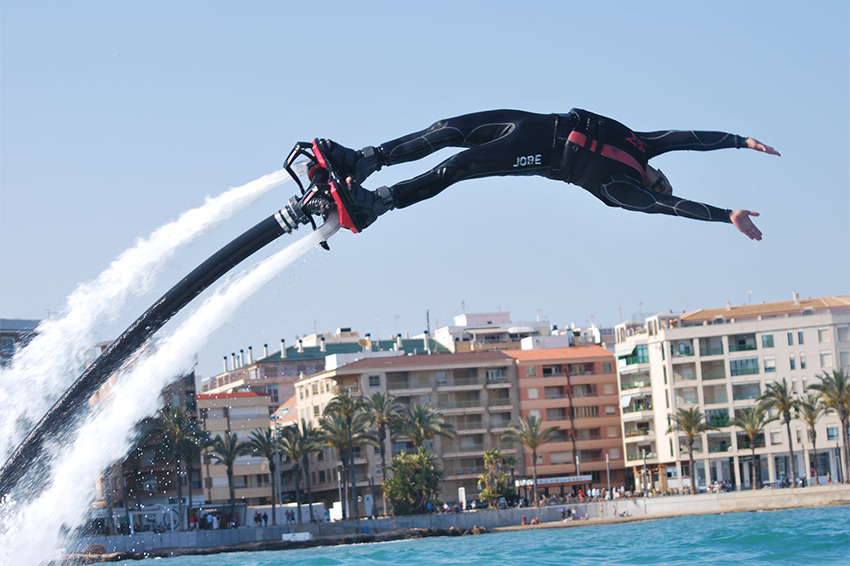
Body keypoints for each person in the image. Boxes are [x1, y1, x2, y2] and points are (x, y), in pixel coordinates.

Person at [311, 109, 779, 239]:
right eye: (665, 177)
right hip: (539, 123)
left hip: (544, 157)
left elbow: (671, 206)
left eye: (663, 183)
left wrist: (725, 215)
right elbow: (686, 136)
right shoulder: (641, 146)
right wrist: (740, 140)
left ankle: (378, 203)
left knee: (456, 167)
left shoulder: (627, 192)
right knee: (448, 129)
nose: (664, 181)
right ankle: (362, 160)